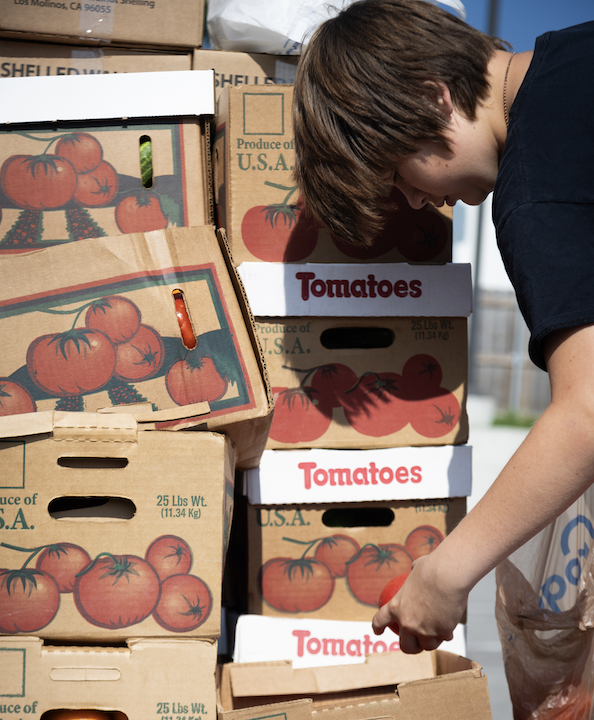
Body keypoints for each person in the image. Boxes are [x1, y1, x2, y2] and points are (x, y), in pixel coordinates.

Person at [292, 0, 594, 655]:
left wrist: (446, 572)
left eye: (395, 174)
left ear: (433, 99)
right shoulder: (574, 48)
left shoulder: (535, 194)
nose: (410, 201)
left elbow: (589, 412)